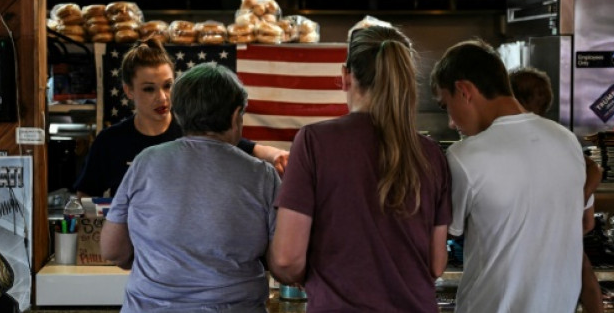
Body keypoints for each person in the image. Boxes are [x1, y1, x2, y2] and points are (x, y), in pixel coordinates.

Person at [269, 25, 452, 312]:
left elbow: (286, 258)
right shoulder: (431, 154)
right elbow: (436, 263)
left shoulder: (314, 142)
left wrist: (317, 278)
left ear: (345, 77)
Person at [101, 63, 280, 312]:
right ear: (235, 114)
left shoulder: (146, 161)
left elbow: (113, 250)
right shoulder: (263, 175)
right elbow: (282, 264)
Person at [431, 39, 588, 313]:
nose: (451, 122)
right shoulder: (567, 141)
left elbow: (437, 252)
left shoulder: (465, 156)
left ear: (464, 90)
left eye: (446, 106)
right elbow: (584, 222)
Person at [73, 38, 290, 198]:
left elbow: (245, 148)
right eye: (149, 89)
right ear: (129, 91)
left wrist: (276, 155)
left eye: (168, 86)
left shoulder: (191, 127)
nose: (162, 97)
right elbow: (85, 199)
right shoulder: (110, 141)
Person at [509, 66, 604, 313]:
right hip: (561, 228)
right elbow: (594, 171)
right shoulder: (563, 137)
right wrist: (578, 203)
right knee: (583, 273)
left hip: (528, 234)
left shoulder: (512, 135)